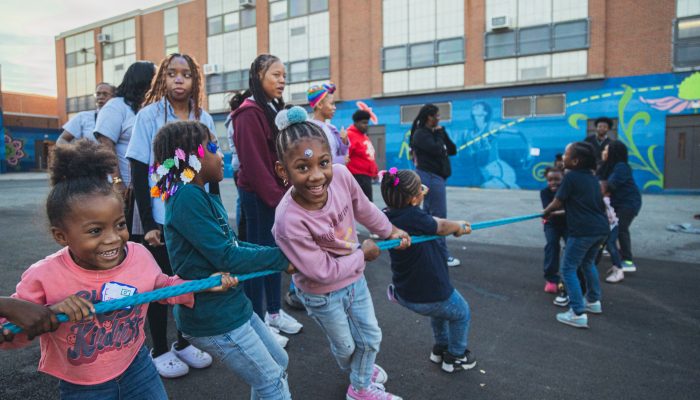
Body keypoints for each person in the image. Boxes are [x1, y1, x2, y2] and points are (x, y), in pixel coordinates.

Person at [0, 139, 235, 399]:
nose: (113, 238)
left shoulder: (138, 255)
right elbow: (10, 332)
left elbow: (162, 287)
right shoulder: (43, 276)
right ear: (61, 236)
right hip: (84, 386)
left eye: (120, 224)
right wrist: (46, 315)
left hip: (138, 367)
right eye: (95, 231)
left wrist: (204, 284)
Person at [271, 107, 411, 400]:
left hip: (355, 281)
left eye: (324, 163)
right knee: (346, 347)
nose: (317, 176)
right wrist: (364, 254)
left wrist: (389, 231)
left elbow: (365, 209)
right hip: (320, 292)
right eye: (302, 167)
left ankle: (359, 388)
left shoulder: (343, 177)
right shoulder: (288, 220)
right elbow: (320, 271)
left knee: (370, 338)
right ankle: (362, 367)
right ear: (283, 171)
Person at [154, 120, 294, 399]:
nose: (222, 154)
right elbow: (227, 255)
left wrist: (282, 254)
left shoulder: (202, 195)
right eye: (214, 147)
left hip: (233, 306)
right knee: (272, 381)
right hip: (215, 318)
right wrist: (283, 258)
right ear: (192, 156)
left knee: (278, 364)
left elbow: (234, 244)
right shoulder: (185, 198)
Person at [125, 54, 215, 378]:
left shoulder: (203, 117)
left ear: (195, 80)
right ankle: (159, 348)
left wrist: (215, 213)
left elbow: (211, 168)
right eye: (172, 73)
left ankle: (183, 341)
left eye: (186, 74)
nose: (179, 79)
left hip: (193, 213)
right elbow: (137, 167)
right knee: (159, 282)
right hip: (157, 215)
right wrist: (147, 223)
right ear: (162, 78)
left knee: (188, 276)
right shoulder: (148, 115)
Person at [230, 54, 303, 348]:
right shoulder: (248, 113)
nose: (282, 80)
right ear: (259, 75)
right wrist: (279, 200)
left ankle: (274, 311)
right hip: (261, 199)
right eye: (276, 74)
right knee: (260, 258)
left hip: (276, 197)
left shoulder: (270, 108)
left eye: (284, 75)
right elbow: (256, 166)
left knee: (277, 253)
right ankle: (257, 320)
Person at [381, 168, 477, 374]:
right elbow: (440, 226)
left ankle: (440, 348)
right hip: (431, 292)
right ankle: (456, 356)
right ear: (415, 199)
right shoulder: (414, 216)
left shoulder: (386, 216)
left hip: (407, 292)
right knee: (461, 313)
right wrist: (458, 226)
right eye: (420, 190)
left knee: (441, 314)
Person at [543, 142, 609, 329]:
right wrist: (554, 213)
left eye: (566, 154)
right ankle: (593, 301)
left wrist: (545, 212)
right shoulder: (591, 178)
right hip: (600, 229)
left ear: (575, 160)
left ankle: (577, 312)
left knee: (567, 269)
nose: (563, 157)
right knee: (587, 264)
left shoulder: (571, 177)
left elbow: (557, 202)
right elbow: (583, 207)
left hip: (583, 231)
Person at [94, 61, 155, 229]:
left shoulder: (147, 107)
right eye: (155, 77)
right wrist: (117, 181)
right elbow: (105, 145)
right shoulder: (116, 106)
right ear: (143, 80)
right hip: (126, 188)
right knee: (127, 235)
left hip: (150, 185)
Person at [409, 104, 460, 267]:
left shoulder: (436, 133)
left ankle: (426, 250)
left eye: (439, 115)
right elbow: (438, 150)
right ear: (427, 117)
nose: (438, 118)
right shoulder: (420, 135)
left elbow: (452, 150)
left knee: (429, 215)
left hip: (437, 177)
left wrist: (442, 133)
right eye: (435, 116)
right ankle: (441, 255)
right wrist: (439, 135)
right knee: (438, 215)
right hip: (429, 176)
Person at [598, 141, 642, 276]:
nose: (603, 152)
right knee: (612, 229)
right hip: (616, 203)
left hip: (628, 203)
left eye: (607, 150)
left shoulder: (621, 167)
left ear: (613, 153)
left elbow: (610, 185)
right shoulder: (606, 166)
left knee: (621, 228)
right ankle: (612, 250)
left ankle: (627, 260)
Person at [308, 83, 349, 165]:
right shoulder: (310, 129)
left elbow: (342, 154)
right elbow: (314, 158)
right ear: (319, 105)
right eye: (331, 103)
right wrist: (340, 160)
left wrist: (344, 141)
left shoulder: (331, 128)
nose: (335, 107)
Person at [540, 167, 567, 293]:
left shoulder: (568, 190)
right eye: (550, 180)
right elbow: (548, 209)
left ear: (563, 179)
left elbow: (552, 210)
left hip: (568, 223)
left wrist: (553, 211)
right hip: (552, 224)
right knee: (552, 245)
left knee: (572, 248)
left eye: (557, 179)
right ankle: (551, 279)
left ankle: (571, 278)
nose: (553, 182)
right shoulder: (545, 192)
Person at [346, 109, 378, 201]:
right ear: (356, 123)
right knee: (362, 206)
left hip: (366, 177)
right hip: (357, 177)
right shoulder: (350, 135)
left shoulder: (364, 136)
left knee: (368, 205)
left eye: (367, 123)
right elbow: (345, 157)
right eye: (364, 123)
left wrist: (374, 172)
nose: (366, 125)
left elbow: (368, 156)